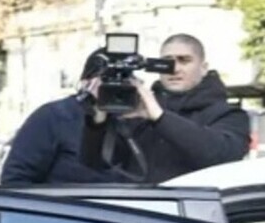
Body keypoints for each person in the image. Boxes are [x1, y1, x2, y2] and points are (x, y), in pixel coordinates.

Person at [82, 33, 250, 183]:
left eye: (184, 60)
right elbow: (95, 164)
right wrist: (98, 121)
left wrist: (160, 118)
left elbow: (220, 157)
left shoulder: (229, 114)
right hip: (138, 213)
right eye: (166, 62)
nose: (174, 69)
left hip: (195, 213)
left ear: (204, 68)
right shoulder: (137, 110)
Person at [0, 49, 128, 185]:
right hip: (64, 205)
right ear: (86, 82)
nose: (115, 86)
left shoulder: (133, 122)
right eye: (107, 79)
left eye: (124, 80)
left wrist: (152, 116)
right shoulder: (55, 117)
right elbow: (15, 179)